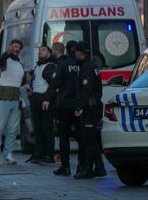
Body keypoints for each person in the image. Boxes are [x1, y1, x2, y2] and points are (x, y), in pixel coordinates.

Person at [73, 41, 104, 180]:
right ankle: (99, 167)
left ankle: (89, 168)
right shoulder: (91, 65)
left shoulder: (86, 67)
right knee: (91, 139)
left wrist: (79, 107)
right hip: (93, 106)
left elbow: (86, 90)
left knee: (88, 139)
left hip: (89, 108)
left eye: (76, 53)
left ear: (80, 53)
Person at [52, 41, 82, 176]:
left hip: (65, 105)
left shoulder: (63, 65)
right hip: (80, 105)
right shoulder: (84, 64)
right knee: (81, 138)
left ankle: (65, 166)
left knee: (64, 137)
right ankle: (82, 166)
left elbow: (55, 82)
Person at [0, 39, 26, 165]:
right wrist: (7, 53)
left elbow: (21, 81)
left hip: (15, 100)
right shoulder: (4, 60)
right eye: (14, 46)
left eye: (18, 47)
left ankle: (8, 154)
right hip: (3, 99)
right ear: (9, 46)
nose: (16, 49)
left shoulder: (19, 63)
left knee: (12, 131)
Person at [27, 45, 57, 165]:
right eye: (39, 50)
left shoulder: (50, 67)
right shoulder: (38, 66)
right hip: (35, 98)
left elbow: (53, 85)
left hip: (44, 100)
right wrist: (31, 90)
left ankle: (49, 155)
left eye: (43, 50)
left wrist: (48, 99)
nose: (40, 51)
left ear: (49, 53)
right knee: (38, 129)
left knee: (47, 129)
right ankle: (38, 154)